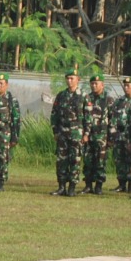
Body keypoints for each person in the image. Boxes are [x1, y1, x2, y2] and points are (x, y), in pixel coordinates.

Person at [49, 67, 84, 197]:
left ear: (77, 80)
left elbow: (89, 117)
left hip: (76, 134)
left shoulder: (83, 97)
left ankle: (72, 188)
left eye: (72, 78)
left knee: (75, 160)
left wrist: (85, 134)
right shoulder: (61, 95)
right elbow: (54, 114)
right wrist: (55, 131)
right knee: (61, 161)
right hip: (62, 134)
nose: (69, 81)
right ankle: (61, 187)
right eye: (67, 79)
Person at [82, 72, 112, 195]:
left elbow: (112, 119)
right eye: (92, 83)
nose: (94, 86)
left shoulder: (108, 100)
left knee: (100, 162)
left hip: (102, 136)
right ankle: (88, 185)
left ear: (102, 85)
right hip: (88, 135)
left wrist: (111, 137)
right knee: (88, 161)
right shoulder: (87, 98)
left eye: (96, 83)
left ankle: (99, 186)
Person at [109, 76, 131, 193]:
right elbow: (112, 119)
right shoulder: (119, 101)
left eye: (128, 85)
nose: (126, 87)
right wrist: (112, 135)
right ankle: (121, 184)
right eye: (124, 85)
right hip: (120, 137)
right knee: (119, 160)